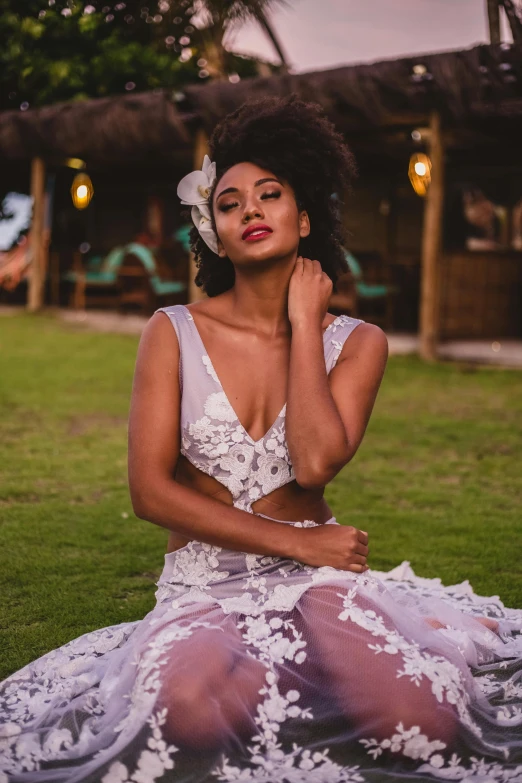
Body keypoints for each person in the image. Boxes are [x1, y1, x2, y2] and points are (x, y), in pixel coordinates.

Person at [1, 96, 521, 783]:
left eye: (269, 195)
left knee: (421, 721)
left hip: (319, 581)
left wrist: (307, 324)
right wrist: (299, 539)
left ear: (302, 219)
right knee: (182, 711)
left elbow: (314, 461)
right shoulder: (171, 331)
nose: (249, 210)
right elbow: (149, 492)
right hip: (202, 586)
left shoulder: (358, 343)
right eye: (229, 202)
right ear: (214, 230)